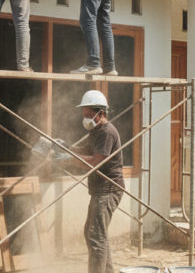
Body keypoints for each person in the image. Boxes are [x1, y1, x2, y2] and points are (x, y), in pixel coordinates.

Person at [57, 90, 124, 273]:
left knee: (96, 235)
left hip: (109, 189)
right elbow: (88, 149)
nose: (86, 119)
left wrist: (69, 159)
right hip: (99, 189)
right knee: (94, 233)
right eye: (84, 115)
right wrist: (68, 148)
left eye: (89, 115)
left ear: (101, 113)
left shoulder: (107, 132)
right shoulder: (96, 130)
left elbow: (95, 162)